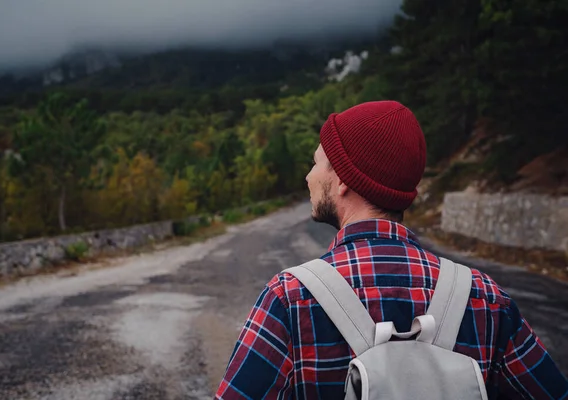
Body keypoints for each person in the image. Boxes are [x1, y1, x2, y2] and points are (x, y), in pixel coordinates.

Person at [214, 101, 568, 399]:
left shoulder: (289, 298)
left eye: (317, 162)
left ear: (342, 181)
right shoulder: (487, 299)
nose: (309, 176)